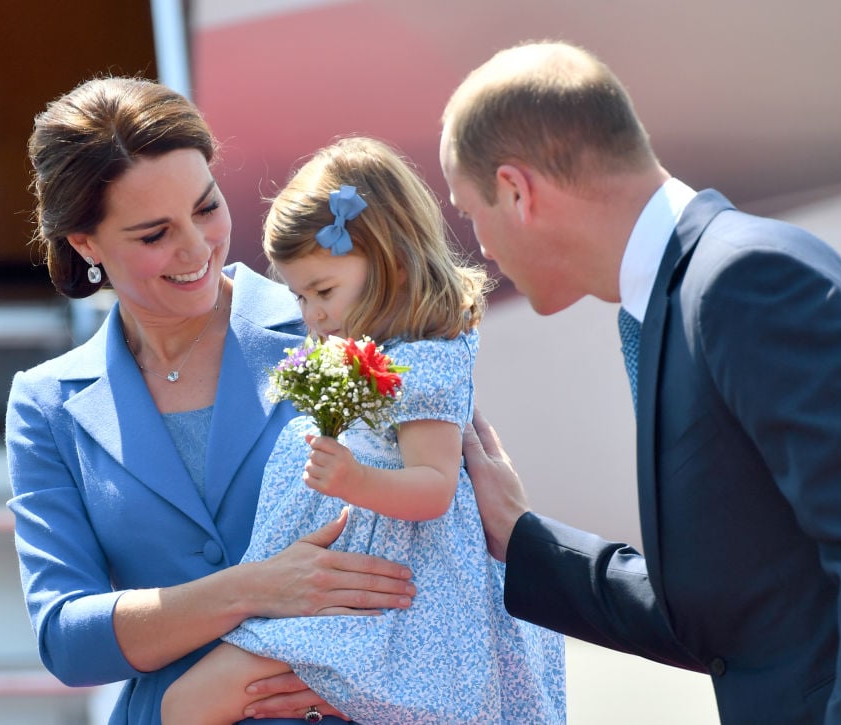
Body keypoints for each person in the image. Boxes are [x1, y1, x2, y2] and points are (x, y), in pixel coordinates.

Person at [440, 40, 841, 724]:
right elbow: (720, 616)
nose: (480, 246)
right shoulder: (686, 299)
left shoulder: (745, 284)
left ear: (517, 189)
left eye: (470, 211)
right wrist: (520, 537)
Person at [6, 77, 418, 725]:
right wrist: (250, 591)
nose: (197, 249)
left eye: (206, 207)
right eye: (154, 234)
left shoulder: (341, 327)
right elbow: (66, 636)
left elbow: (437, 538)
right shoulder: (46, 403)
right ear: (86, 244)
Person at [161, 136, 566, 725]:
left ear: (391, 265)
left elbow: (433, 488)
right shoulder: (359, 348)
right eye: (301, 296)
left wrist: (352, 478)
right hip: (345, 588)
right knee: (186, 704)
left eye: (323, 291)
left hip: (394, 606)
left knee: (189, 703)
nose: (312, 315)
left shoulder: (424, 361)